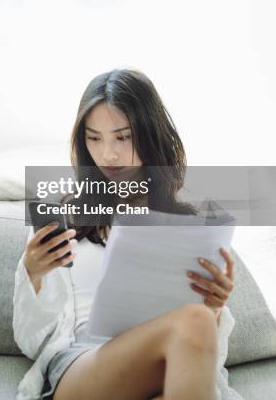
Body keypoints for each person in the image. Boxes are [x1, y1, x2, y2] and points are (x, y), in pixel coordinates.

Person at [13, 69, 243, 400]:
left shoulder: (192, 225)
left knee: (195, 325)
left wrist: (215, 309)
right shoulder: (64, 219)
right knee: (194, 321)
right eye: (94, 138)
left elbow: (205, 358)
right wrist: (33, 275)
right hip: (84, 366)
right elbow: (30, 340)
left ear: (150, 136)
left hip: (164, 371)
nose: (108, 154)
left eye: (122, 137)